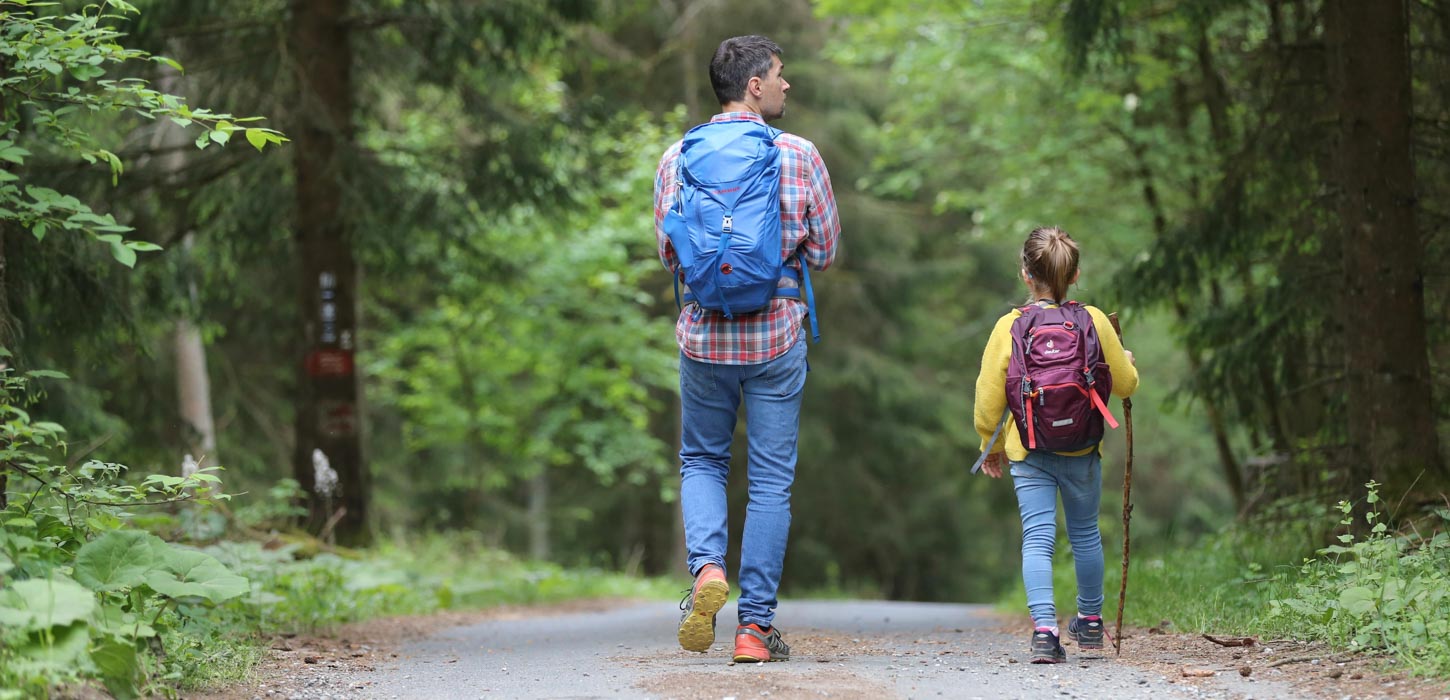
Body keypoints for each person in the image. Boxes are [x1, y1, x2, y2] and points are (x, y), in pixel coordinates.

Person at [653, 34, 840, 663]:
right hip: (776, 336)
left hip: (704, 337)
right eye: (780, 75)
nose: (787, 85)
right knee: (769, 483)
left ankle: (706, 570)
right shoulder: (798, 154)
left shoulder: (677, 157)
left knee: (702, 460)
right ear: (753, 85)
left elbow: (669, 253)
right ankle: (754, 630)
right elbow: (826, 250)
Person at [973, 226, 1139, 663]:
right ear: (1076, 274)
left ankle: (1045, 632)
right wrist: (1127, 362)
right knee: (1085, 535)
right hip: (1082, 449)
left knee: (1037, 538)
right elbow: (1125, 384)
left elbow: (988, 399)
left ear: (1026, 274)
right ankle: (1089, 625)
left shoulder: (1009, 326)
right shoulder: (1094, 320)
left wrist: (988, 447)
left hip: (1029, 451)